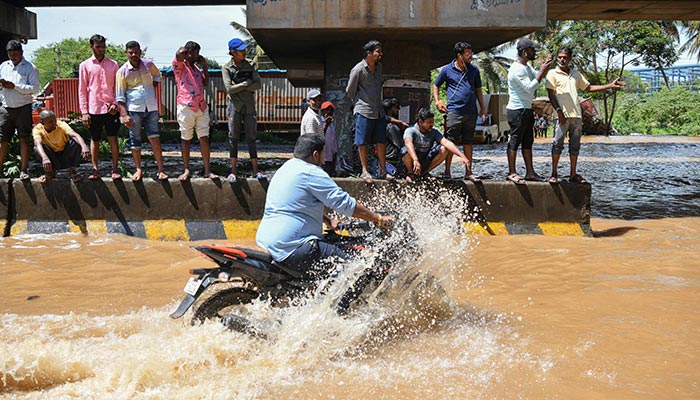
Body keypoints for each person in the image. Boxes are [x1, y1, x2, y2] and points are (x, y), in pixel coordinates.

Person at [256, 133, 394, 280]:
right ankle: (337, 304)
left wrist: (328, 221)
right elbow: (344, 204)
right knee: (357, 268)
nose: (323, 159)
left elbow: (297, 206)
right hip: (294, 247)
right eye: (323, 154)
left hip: (268, 242)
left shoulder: (285, 168)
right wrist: (378, 218)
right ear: (316, 154)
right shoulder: (312, 172)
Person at [546, 46, 625, 184]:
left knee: (575, 146)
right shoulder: (552, 73)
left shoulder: (575, 74)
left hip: (576, 116)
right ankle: (554, 174)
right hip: (560, 116)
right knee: (557, 144)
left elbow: (589, 88)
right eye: (560, 57)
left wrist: (610, 85)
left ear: (570, 59)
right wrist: (559, 112)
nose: (562, 60)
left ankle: (573, 174)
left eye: (565, 57)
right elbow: (551, 95)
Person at [346, 40, 407, 183]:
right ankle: (365, 171)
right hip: (363, 109)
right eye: (378, 51)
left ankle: (383, 170)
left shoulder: (379, 68)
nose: (381, 54)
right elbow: (350, 91)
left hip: (378, 110)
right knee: (362, 142)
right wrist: (359, 103)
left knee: (380, 140)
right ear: (369, 53)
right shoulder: (358, 69)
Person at [433, 42, 486, 182]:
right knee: (451, 141)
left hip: (471, 112)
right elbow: (436, 85)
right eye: (467, 53)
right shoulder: (447, 70)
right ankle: (447, 171)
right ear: (459, 55)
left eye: (471, 52)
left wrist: (482, 108)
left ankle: (468, 172)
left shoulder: (474, 70)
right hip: (454, 112)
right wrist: (437, 101)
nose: (471, 56)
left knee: (468, 142)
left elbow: (478, 90)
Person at [116, 40, 167, 181]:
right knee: (135, 140)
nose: (134, 55)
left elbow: (157, 75)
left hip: (151, 107)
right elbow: (120, 96)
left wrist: (154, 85)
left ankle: (161, 169)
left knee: (155, 138)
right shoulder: (122, 72)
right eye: (131, 52)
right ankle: (138, 169)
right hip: (134, 109)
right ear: (126, 53)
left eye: (136, 52)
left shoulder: (148, 64)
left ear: (140, 52)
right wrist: (124, 115)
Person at [504, 37, 553, 184]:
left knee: (527, 142)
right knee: (514, 141)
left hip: (526, 109)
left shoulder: (526, 67)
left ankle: (530, 172)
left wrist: (546, 67)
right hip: (516, 110)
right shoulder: (516, 69)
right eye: (532, 50)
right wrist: (542, 71)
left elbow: (538, 78)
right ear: (525, 52)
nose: (535, 52)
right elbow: (531, 87)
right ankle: (512, 172)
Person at [173, 41, 218, 181]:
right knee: (186, 138)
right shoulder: (180, 66)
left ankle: (207, 170)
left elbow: (205, 82)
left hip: (200, 106)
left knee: (204, 137)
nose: (198, 55)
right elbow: (179, 53)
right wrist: (188, 52)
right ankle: (186, 170)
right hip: (186, 106)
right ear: (190, 53)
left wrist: (204, 66)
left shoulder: (196, 68)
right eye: (196, 52)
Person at [78, 34, 121, 180]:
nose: (101, 49)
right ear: (91, 47)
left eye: (103, 46)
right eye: (98, 47)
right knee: (94, 139)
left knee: (113, 138)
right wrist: (84, 112)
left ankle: (115, 169)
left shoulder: (113, 65)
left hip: (111, 109)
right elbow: (82, 90)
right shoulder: (85, 65)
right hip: (94, 108)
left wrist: (115, 103)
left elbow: (118, 87)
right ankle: (95, 169)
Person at [222, 38, 263, 183]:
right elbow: (228, 89)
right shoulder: (227, 68)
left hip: (250, 106)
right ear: (233, 52)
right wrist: (247, 83)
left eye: (244, 49)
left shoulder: (251, 64)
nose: (244, 52)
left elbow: (258, 85)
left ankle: (255, 171)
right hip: (234, 107)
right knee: (233, 137)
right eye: (241, 50)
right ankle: (233, 172)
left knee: (251, 137)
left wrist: (239, 85)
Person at [0, 40, 39, 179]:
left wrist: (14, 86)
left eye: (15, 55)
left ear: (21, 53)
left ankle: (24, 170)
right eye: (10, 55)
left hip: (23, 108)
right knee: (2, 140)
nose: (13, 57)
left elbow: (34, 89)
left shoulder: (30, 68)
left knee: (24, 139)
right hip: (5, 108)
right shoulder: (3, 66)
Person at [402, 108, 471, 183]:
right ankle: (410, 173)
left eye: (432, 122)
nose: (432, 124)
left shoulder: (434, 132)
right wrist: (415, 160)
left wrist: (462, 155)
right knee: (406, 151)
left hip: (424, 159)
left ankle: (424, 173)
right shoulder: (410, 130)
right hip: (411, 161)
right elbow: (408, 143)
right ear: (420, 122)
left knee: (445, 149)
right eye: (429, 122)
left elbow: (447, 143)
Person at [32, 110, 90, 184]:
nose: (54, 123)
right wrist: (44, 158)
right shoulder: (37, 129)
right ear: (42, 123)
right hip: (52, 156)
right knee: (37, 149)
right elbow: (37, 143)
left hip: (65, 154)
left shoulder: (61, 124)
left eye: (54, 120)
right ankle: (50, 172)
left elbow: (75, 135)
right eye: (50, 122)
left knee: (76, 143)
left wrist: (84, 147)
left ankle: (73, 171)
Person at [382, 98, 404, 175]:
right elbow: (399, 144)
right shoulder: (391, 127)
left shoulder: (381, 124)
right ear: (390, 109)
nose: (398, 110)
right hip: (391, 158)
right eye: (396, 108)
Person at [320, 101, 337, 176]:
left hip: (331, 154)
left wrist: (335, 152)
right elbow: (320, 135)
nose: (329, 112)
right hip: (324, 155)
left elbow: (333, 138)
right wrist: (326, 124)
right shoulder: (320, 121)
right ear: (322, 111)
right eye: (327, 109)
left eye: (331, 110)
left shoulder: (332, 123)